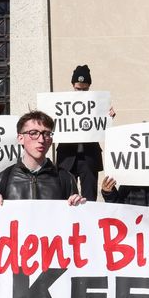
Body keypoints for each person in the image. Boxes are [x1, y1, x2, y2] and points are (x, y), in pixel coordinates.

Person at [0, 111, 85, 206]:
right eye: (34, 133)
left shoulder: (66, 178)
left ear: (51, 140)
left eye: (46, 134)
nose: (41, 139)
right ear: (20, 138)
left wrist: (78, 205)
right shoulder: (1, 179)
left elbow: (73, 220)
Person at [55, 65, 115, 201]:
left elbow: (103, 127)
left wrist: (108, 117)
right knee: (66, 197)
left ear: (89, 87)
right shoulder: (63, 104)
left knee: (90, 197)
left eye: (85, 89)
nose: (81, 92)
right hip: (67, 158)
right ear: (72, 85)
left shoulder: (97, 104)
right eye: (78, 89)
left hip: (89, 157)